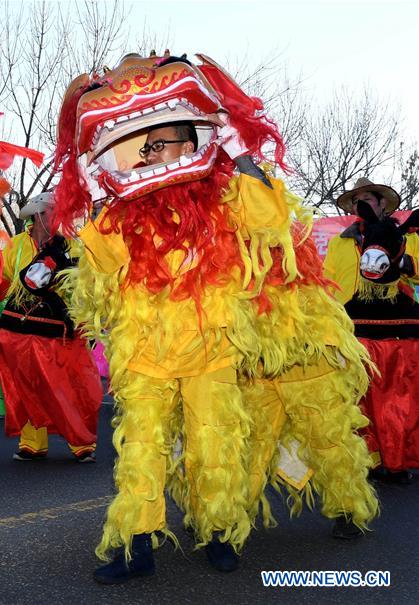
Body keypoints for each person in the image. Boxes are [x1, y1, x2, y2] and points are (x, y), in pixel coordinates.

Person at [48, 52, 377, 583]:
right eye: (144, 148)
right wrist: (88, 196)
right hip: (146, 354)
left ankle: (222, 535)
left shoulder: (222, 198)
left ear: (190, 142)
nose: (153, 154)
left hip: (211, 351)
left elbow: (269, 218)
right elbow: (104, 265)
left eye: (164, 143)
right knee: (141, 451)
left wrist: (238, 150)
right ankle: (136, 545)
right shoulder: (124, 214)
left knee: (215, 445)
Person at [323, 178, 419, 484]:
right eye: (355, 202)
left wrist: (406, 263)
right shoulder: (341, 241)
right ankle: (368, 458)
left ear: (381, 204)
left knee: (398, 398)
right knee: (360, 398)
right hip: (352, 328)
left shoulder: (409, 237)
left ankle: (397, 460)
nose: (359, 206)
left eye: (366, 199)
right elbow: (328, 283)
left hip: (397, 327)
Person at [0, 192, 102, 463]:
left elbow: (85, 287)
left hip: (59, 327)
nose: (60, 218)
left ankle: (81, 443)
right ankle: (32, 442)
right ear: (39, 215)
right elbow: (4, 278)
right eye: (54, 213)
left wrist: (87, 321)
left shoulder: (73, 247)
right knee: (26, 386)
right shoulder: (16, 245)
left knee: (70, 386)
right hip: (19, 327)